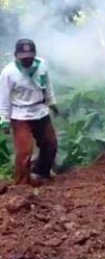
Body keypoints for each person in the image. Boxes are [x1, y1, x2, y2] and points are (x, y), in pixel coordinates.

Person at [0, 39, 59, 186]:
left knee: (50, 144)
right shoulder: (9, 73)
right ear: (16, 56)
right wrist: (4, 119)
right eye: (23, 57)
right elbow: (3, 98)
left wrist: (52, 103)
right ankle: (22, 184)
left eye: (29, 56)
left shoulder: (42, 66)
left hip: (40, 111)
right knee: (25, 151)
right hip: (20, 115)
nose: (27, 59)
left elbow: (47, 85)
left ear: (34, 55)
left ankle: (41, 173)